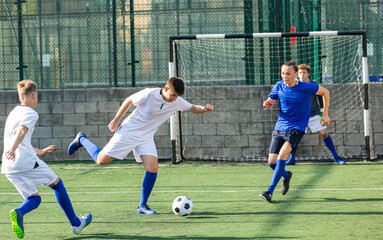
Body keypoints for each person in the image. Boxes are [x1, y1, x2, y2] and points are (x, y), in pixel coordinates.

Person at [68, 77, 214, 214]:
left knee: (153, 167)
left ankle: (142, 206)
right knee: (101, 160)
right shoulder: (149, 94)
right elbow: (129, 100)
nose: (174, 99)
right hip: (129, 132)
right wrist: (115, 120)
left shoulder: (177, 101)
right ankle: (81, 140)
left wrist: (204, 109)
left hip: (146, 137)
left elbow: (193, 108)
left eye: (177, 96)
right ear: (166, 88)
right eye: (173, 95)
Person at [1, 80, 92, 239]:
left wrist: (40, 151)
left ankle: (19, 212)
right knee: (57, 184)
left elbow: (22, 141)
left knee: (34, 198)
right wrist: (14, 148)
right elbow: (22, 131)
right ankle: (76, 224)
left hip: (9, 166)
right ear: (34, 96)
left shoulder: (13, 113)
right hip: (25, 162)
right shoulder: (30, 113)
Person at [260, 61, 331, 203]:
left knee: (282, 157)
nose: (285, 76)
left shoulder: (305, 87)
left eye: (288, 73)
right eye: (283, 73)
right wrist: (267, 104)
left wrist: (325, 114)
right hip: (280, 127)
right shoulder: (279, 85)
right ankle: (286, 176)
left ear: (295, 74)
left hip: (296, 128)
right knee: (271, 162)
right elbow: (270, 101)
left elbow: (325, 92)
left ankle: (269, 191)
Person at [286, 64, 345, 165]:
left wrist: (323, 114)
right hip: (299, 116)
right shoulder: (293, 84)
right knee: (294, 136)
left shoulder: (313, 84)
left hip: (314, 113)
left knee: (323, 133)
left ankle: (336, 157)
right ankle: (292, 159)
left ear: (308, 74)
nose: (302, 75)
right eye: (300, 73)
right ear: (297, 74)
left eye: (304, 72)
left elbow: (322, 97)